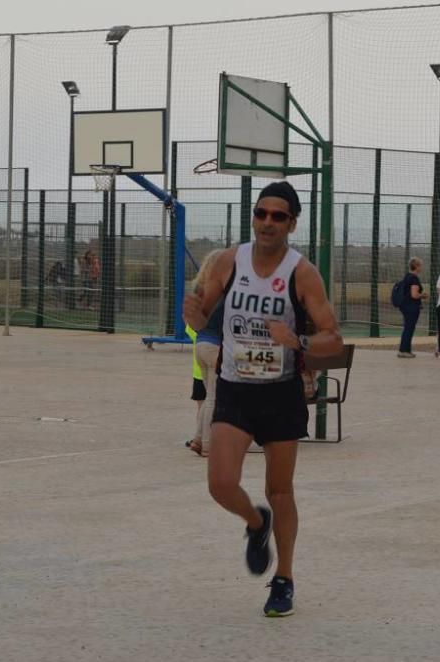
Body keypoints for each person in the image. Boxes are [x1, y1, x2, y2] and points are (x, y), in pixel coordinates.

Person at [183, 181, 342, 618]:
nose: (267, 222)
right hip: (236, 385)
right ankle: (257, 523)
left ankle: (284, 579)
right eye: (261, 214)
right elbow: (201, 308)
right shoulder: (229, 261)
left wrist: (299, 340)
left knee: (280, 490)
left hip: (280, 392)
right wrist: (192, 311)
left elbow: (334, 338)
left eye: (277, 216)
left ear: (292, 223)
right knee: (219, 482)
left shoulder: (301, 272)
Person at [186, 250, 225, 457]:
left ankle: (198, 439)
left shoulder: (197, 288)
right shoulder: (221, 291)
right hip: (215, 346)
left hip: (200, 345)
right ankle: (209, 445)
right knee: (213, 398)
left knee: (207, 396)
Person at [398, 257, 429, 358]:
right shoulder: (414, 278)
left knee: (407, 327)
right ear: (416, 266)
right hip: (411, 307)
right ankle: (404, 351)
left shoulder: (407, 276)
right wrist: (423, 295)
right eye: (420, 265)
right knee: (409, 328)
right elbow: (414, 295)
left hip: (405, 306)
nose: (421, 268)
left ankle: (404, 350)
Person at [184, 323, 207, 454]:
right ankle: (205, 438)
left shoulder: (194, 324)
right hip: (210, 371)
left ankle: (200, 437)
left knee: (202, 406)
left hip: (198, 371)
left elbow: (190, 329)